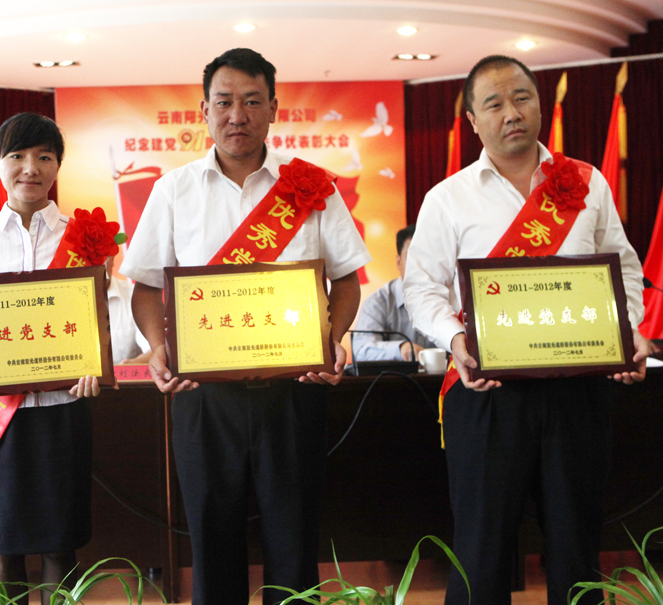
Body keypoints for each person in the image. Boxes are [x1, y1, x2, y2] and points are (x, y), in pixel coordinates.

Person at [121, 48, 371, 604]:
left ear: (274, 108)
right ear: (204, 110)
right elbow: (145, 288)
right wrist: (158, 348)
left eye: (253, 101)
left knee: (294, 538)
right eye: (225, 102)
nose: (238, 115)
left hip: (294, 389)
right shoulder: (173, 190)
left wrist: (331, 340)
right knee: (212, 542)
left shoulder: (312, 186)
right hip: (203, 395)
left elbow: (347, 279)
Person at [402, 55, 653, 605]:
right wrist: (456, 341)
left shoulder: (586, 181)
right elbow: (420, 290)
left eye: (521, 97)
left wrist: (626, 328)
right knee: (482, 552)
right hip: (487, 393)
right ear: (473, 121)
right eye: (494, 104)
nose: (511, 113)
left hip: (578, 387)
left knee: (576, 547)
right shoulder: (448, 198)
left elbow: (623, 268)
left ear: (540, 104)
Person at [0, 112, 101, 605]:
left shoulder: (84, 237)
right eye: (17, 156)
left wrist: (95, 364)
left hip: (63, 410)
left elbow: (99, 318)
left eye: (44, 157)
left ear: (58, 167)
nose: (31, 167)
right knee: (2, 545)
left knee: (59, 545)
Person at [351, 224, 436, 362]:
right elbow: (362, 350)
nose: (420, 265)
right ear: (399, 262)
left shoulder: (449, 297)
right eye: (413, 257)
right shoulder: (378, 302)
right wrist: (401, 349)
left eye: (426, 257)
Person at [104, 256, 151, 364]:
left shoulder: (135, 296)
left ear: (112, 259)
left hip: (126, 374)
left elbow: (156, 350)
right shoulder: (68, 299)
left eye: (101, 259)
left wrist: (131, 365)